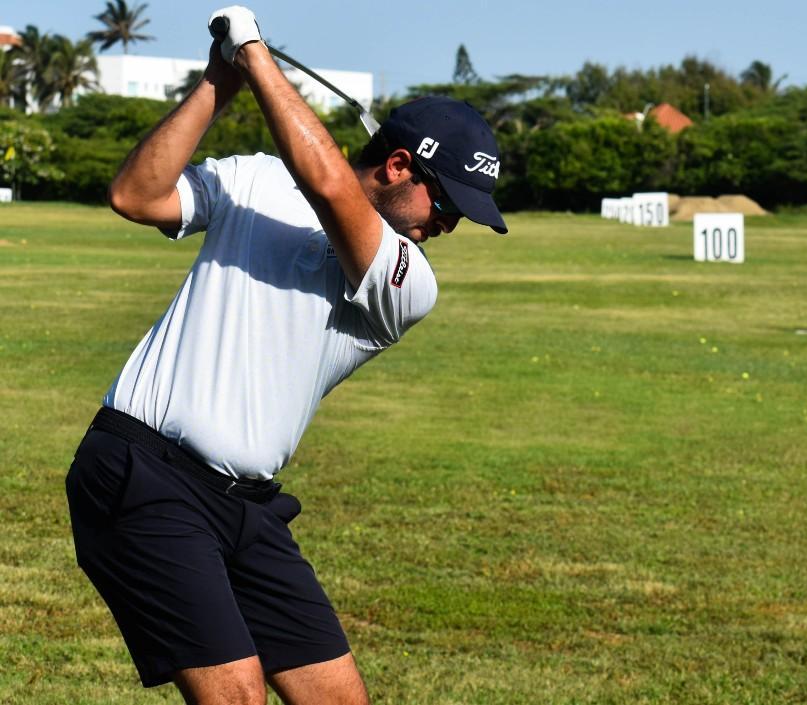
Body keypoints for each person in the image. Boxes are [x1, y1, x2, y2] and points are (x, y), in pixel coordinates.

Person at [63, 6, 507, 704]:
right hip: (141, 471)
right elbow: (135, 194)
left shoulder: (408, 281)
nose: (447, 226)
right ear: (398, 165)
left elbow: (329, 183)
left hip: (248, 505)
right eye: (447, 203)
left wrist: (254, 51)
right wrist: (219, 81)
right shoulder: (255, 181)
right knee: (235, 694)